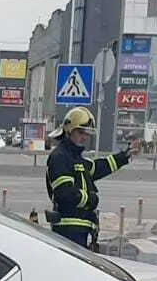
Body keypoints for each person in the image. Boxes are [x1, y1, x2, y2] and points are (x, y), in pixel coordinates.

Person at [44, 106, 135, 247]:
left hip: (80, 230)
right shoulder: (60, 157)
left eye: (86, 133)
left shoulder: (75, 157)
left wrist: (124, 157)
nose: (85, 137)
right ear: (69, 131)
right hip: (69, 231)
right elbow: (65, 195)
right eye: (80, 132)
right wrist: (91, 199)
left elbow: (98, 168)